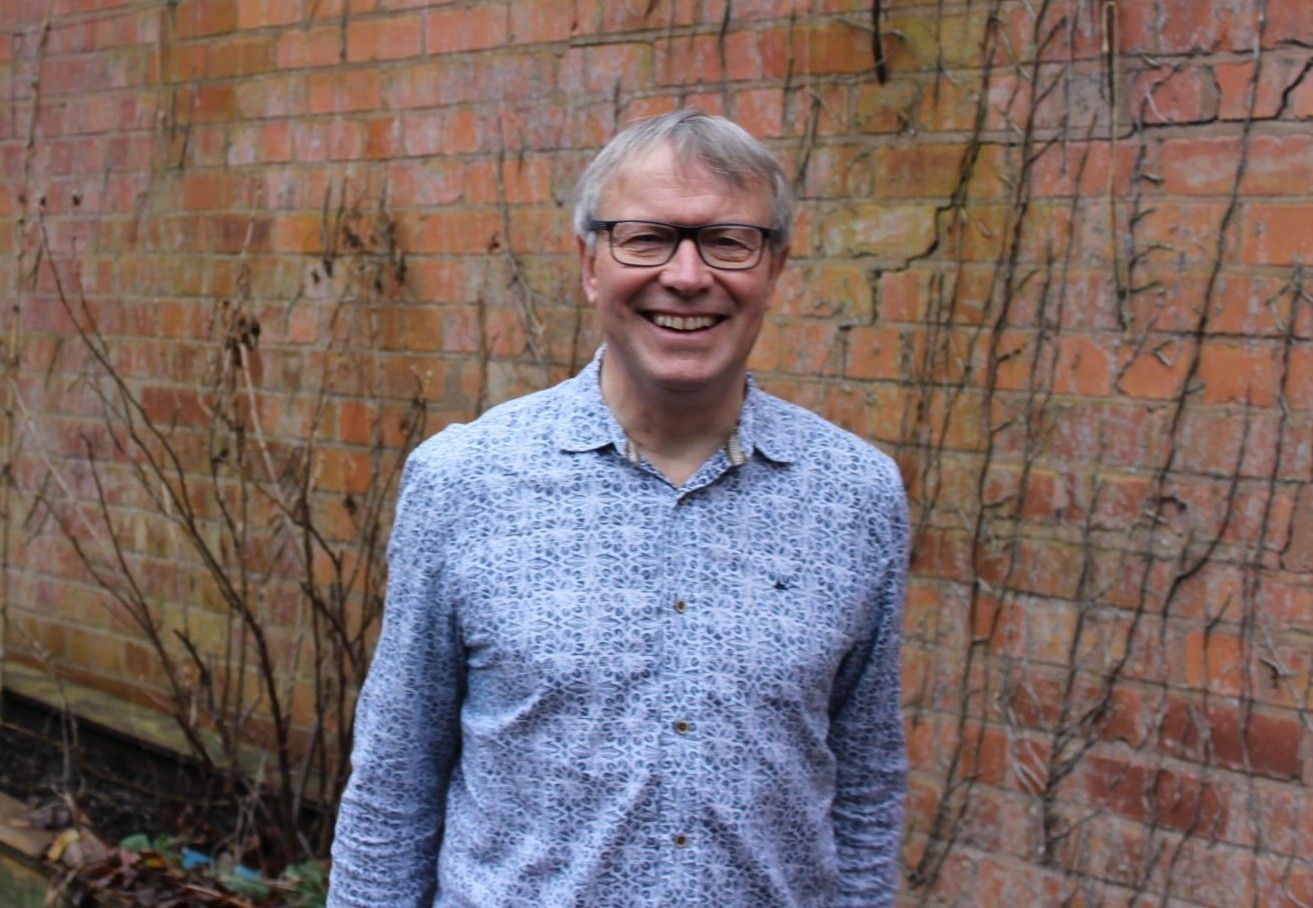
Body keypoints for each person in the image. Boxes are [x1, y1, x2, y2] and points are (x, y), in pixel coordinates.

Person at [327, 109, 909, 907]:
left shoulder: (853, 494)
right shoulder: (465, 481)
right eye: (646, 238)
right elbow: (394, 783)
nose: (687, 275)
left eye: (728, 241)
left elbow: (866, 783)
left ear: (775, 267)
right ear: (588, 263)